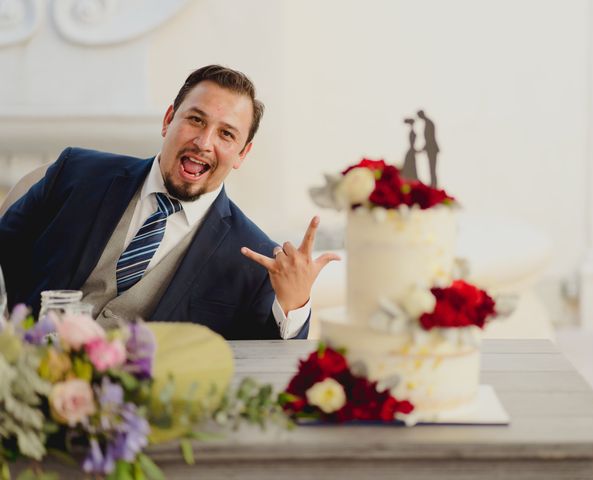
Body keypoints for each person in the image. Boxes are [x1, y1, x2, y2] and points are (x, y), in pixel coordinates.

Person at [0, 65, 339, 340]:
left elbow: (266, 361)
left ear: (242, 153)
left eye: (226, 134)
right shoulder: (76, 173)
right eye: (196, 119)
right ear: (168, 120)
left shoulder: (253, 257)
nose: (204, 142)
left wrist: (294, 303)